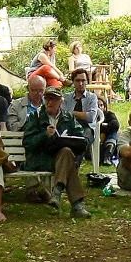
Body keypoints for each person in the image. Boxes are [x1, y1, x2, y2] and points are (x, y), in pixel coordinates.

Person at [21, 87, 92, 218]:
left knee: (66, 151)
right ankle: (76, 205)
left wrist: (71, 140)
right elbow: (27, 143)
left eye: (53, 99)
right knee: (68, 159)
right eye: (47, 99)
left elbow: (80, 137)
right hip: (40, 159)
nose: (49, 102)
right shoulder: (35, 116)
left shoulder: (68, 116)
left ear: (61, 101)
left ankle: (57, 191)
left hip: (60, 159)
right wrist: (44, 135)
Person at [64, 68, 99, 147]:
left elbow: (91, 117)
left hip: (87, 127)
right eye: (77, 80)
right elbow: (63, 115)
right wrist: (83, 115)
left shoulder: (92, 97)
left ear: (87, 81)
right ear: (73, 82)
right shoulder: (66, 98)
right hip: (69, 127)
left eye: (83, 80)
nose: (80, 83)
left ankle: (77, 159)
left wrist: (72, 113)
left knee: (82, 141)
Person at [98, 96, 120, 166]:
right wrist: (105, 127)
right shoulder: (91, 116)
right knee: (112, 131)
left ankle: (108, 156)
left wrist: (103, 129)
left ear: (104, 107)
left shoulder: (109, 114)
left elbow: (116, 125)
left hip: (108, 140)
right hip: (97, 144)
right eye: (97, 105)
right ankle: (106, 156)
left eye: (101, 105)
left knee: (114, 132)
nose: (99, 107)